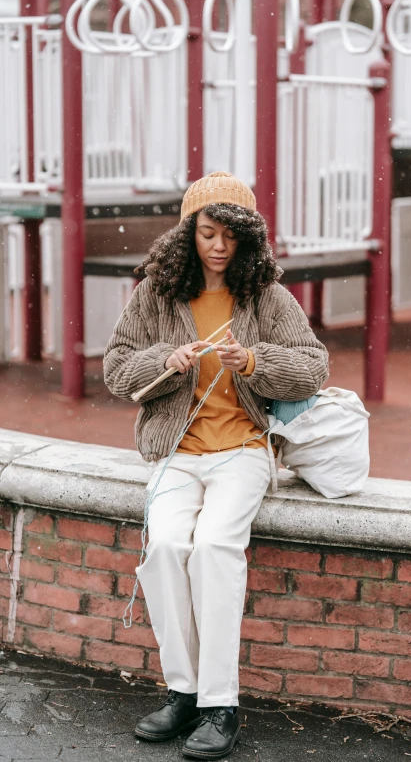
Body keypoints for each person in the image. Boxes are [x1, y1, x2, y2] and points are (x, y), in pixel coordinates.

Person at [103, 171, 329, 760]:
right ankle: (183, 691)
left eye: (231, 234)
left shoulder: (266, 297)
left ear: (247, 237)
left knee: (215, 549)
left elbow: (314, 367)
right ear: (189, 233)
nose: (220, 246)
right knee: (166, 549)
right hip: (177, 454)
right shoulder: (157, 293)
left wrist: (254, 360)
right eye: (208, 233)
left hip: (244, 452)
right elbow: (118, 368)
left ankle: (221, 705)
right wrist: (167, 359)